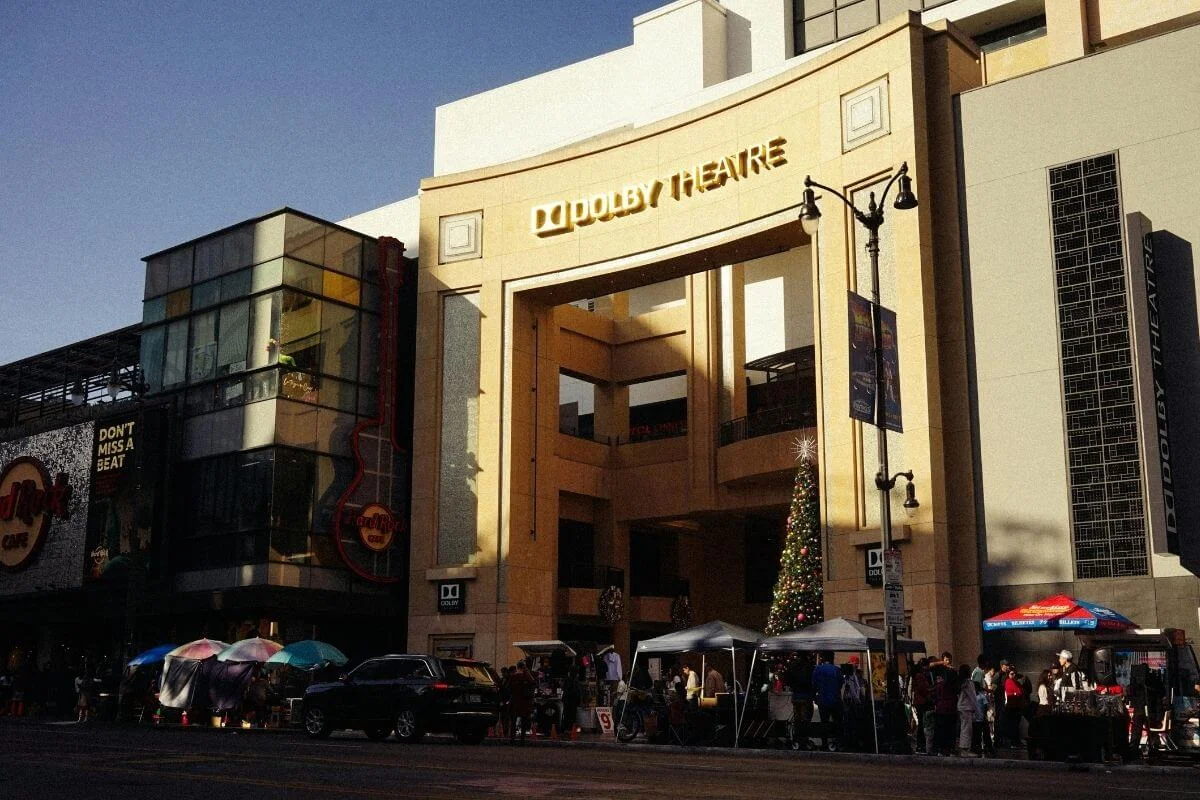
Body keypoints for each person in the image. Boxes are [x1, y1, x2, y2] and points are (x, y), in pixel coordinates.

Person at [811, 651, 842, 750]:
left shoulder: (817, 669)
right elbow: (840, 684)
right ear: (832, 658)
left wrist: (815, 697)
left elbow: (814, 685)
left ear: (823, 659)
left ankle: (824, 743)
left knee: (824, 722)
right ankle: (837, 742)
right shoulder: (837, 670)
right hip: (835, 699)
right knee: (837, 722)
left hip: (822, 699)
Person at [784, 654, 814, 739]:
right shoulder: (809, 666)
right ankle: (804, 737)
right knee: (806, 718)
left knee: (797, 717)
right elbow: (812, 681)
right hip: (806, 696)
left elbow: (788, 679)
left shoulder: (792, 666)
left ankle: (797, 736)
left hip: (796, 695)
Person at [909, 659, 933, 754]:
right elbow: (923, 689)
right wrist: (930, 691)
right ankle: (921, 744)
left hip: (920, 702)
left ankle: (921, 744)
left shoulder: (919, 675)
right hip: (921, 702)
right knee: (923, 724)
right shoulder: (920, 676)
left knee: (922, 724)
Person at [507, 662, 535, 743]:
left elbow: (508, 688)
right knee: (524, 721)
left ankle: (512, 738)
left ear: (517, 667)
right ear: (524, 667)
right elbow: (533, 683)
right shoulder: (526, 675)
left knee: (513, 721)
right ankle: (522, 739)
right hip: (524, 702)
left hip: (515, 701)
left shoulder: (513, 676)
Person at [957, 664, 979, 756]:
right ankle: (965, 749)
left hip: (961, 707)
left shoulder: (961, 682)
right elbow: (973, 696)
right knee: (967, 729)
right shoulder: (969, 683)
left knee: (964, 727)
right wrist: (976, 708)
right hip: (967, 708)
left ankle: (964, 748)